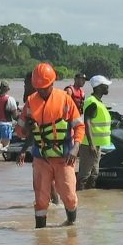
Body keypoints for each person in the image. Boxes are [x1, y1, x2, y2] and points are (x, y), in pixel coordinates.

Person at [15, 63, 85, 228]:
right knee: (40, 198)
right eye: (38, 87)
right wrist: (26, 128)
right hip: (41, 159)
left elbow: (79, 127)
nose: (41, 91)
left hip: (65, 157)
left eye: (44, 87)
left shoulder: (65, 100)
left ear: (52, 83)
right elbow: (19, 131)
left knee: (69, 196)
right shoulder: (30, 103)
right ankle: (40, 232)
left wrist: (76, 148)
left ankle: (71, 225)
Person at [17, 71, 59, 205]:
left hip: (46, 146)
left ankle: (52, 206)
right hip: (43, 145)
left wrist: (23, 150)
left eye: (26, 83)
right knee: (45, 181)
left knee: (47, 182)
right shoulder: (34, 99)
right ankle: (51, 206)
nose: (25, 86)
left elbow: (35, 129)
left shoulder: (37, 100)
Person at [77, 75, 112, 191]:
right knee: (85, 175)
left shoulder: (98, 102)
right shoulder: (92, 102)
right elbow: (87, 123)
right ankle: (79, 197)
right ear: (99, 87)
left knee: (94, 174)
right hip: (89, 145)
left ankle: (89, 199)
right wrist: (91, 144)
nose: (108, 87)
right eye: (105, 85)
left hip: (96, 145)